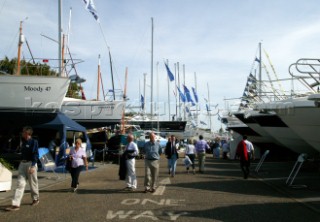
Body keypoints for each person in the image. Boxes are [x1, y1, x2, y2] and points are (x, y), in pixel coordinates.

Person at [6, 126, 40, 211]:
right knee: (20, 184)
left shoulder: (34, 142)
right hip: (22, 164)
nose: (22, 133)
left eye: (23, 132)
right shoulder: (23, 142)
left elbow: (36, 155)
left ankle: (35, 199)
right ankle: (15, 204)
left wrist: (33, 166)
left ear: (27, 133)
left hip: (30, 164)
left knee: (33, 184)